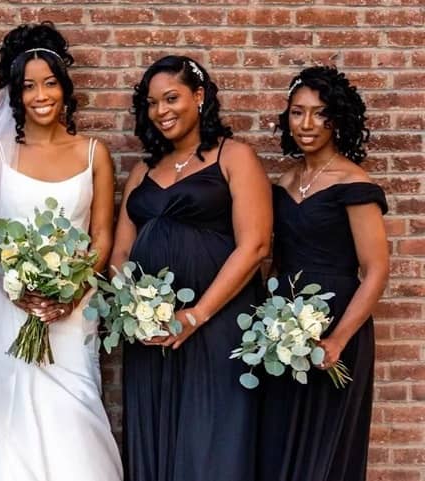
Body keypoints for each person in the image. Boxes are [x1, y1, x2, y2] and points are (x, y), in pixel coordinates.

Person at [0, 22, 123, 481]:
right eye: (29, 86)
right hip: (6, 309)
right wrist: (15, 287)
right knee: (3, 422)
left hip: (71, 313)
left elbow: (102, 237)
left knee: (74, 413)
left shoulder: (95, 154)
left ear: (64, 88)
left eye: (49, 83)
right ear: (15, 93)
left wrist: (70, 292)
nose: (40, 95)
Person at [110, 55, 272, 481]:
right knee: (154, 435)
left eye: (171, 98)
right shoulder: (142, 170)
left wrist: (195, 315)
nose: (161, 111)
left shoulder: (233, 156)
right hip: (151, 333)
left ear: (199, 97)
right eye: (152, 103)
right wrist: (134, 310)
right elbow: (119, 255)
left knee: (212, 438)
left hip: (217, 324)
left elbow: (254, 246)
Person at [258, 66, 388, 481]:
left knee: (326, 444)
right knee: (281, 439)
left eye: (320, 113)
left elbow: (375, 271)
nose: (307, 124)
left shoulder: (354, 183)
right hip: (285, 329)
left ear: (339, 119)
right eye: (298, 113)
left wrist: (338, 340)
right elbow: (275, 261)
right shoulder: (284, 180)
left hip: (337, 322)